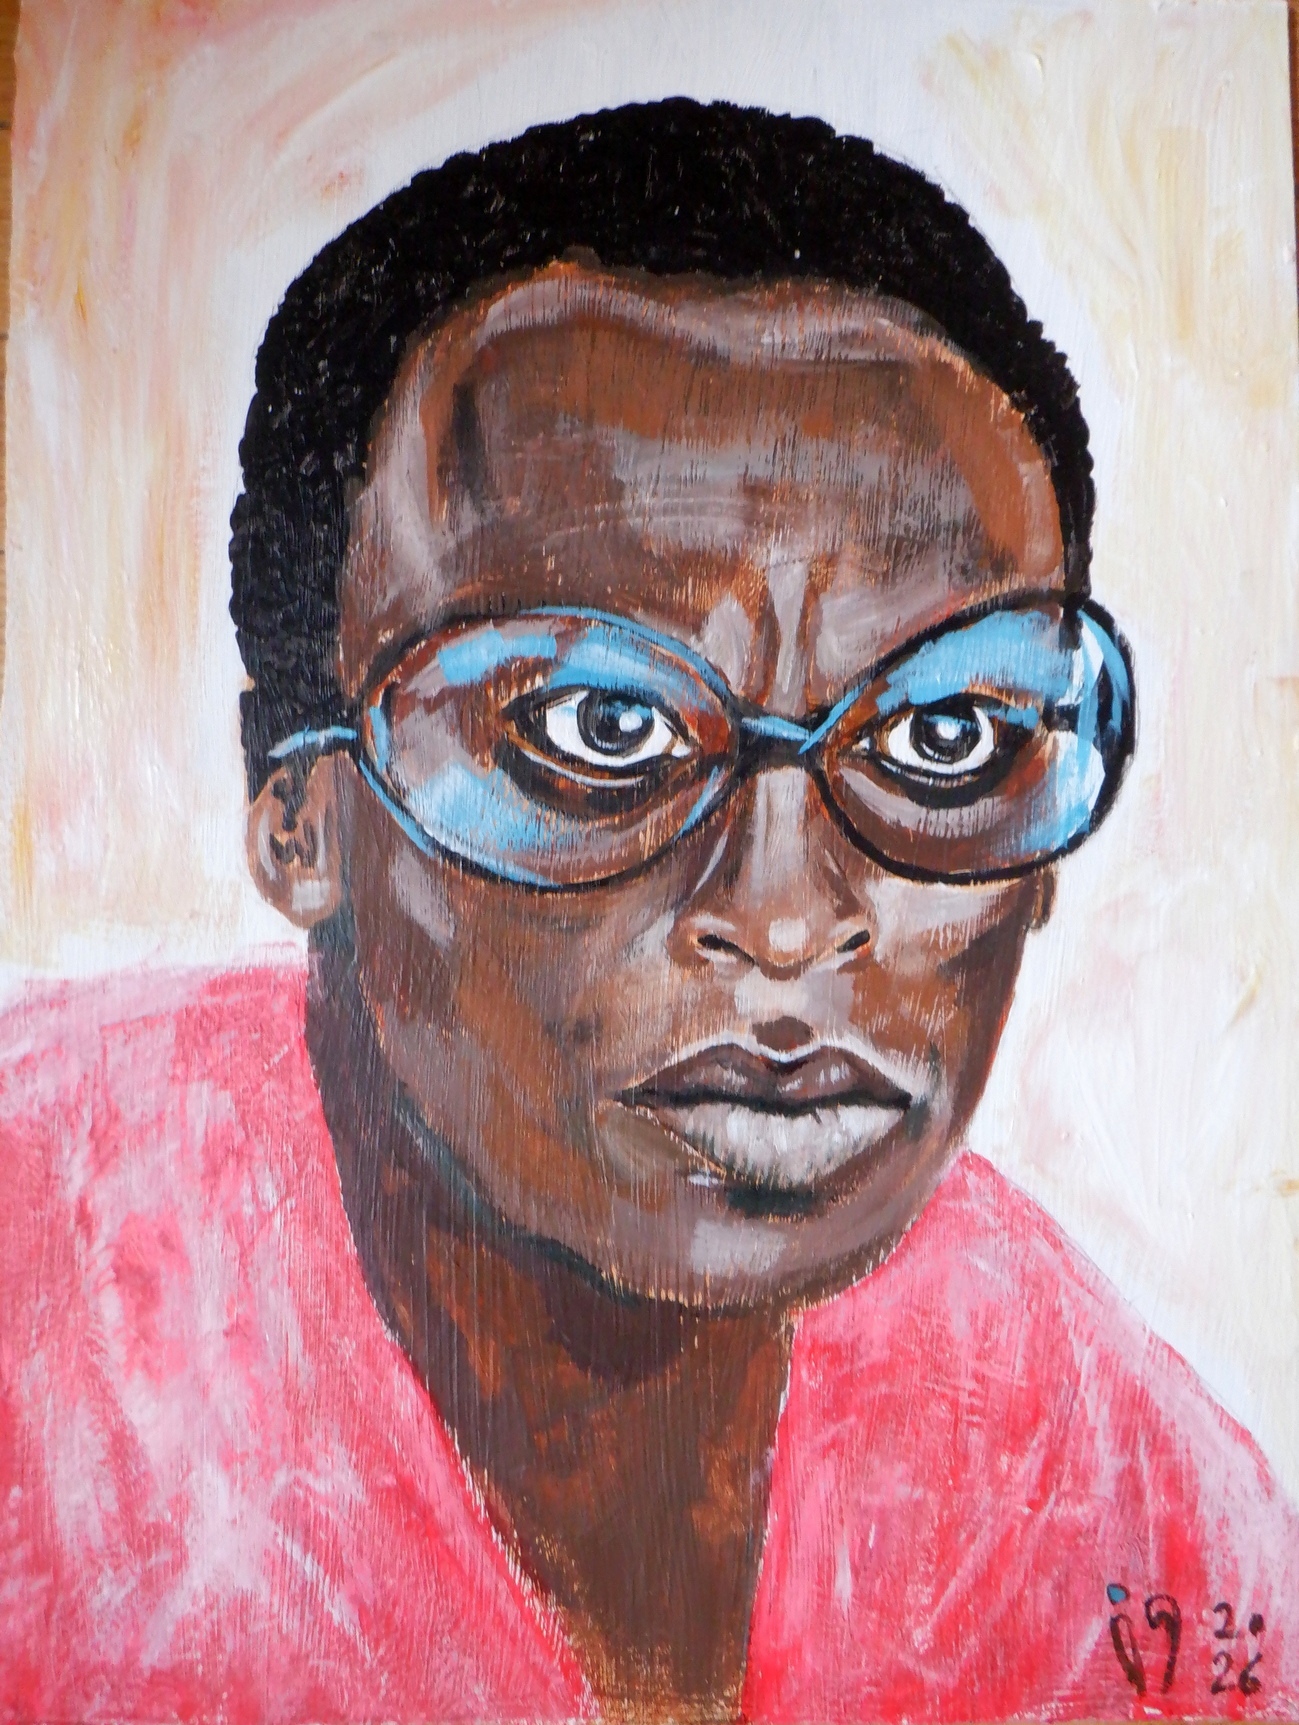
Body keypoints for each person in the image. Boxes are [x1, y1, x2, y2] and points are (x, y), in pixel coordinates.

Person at [1, 99, 1296, 1724]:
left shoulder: (1088, 1470)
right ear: (300, 816)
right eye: (599, 728)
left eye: (943, 736)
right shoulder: (39, 1311)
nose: (787, 917)